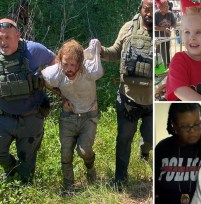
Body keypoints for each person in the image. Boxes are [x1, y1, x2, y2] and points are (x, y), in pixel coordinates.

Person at [100, 0, 153, 186]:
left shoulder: (164, 33)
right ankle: (120, 179)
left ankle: (144, 151)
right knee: (123, 139)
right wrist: (101, 51)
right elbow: (115, 52)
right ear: (141, 8)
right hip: (128, 98)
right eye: (147, 8)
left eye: (154, 9)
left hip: (153, 102)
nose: (150, 13)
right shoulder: (128, 28)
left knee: (151, 139)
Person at [41, 39, 103, 191]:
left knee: (84, 151)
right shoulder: (57, 72)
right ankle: (69, 187)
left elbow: (97, 55)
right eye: (65, 64)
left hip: (89, 115)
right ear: (61, 60)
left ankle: (90, 167)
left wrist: (97, 46)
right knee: (66, 154)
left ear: (80, 63)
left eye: (73, 65)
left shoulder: (90, 70)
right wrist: (62, 97)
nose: (68, 68)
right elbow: (44, 80)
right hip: (68, 116)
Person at [0, 18, 55, 183]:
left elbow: (56, 61)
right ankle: (11, 169)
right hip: (3, 117)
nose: (3, 42)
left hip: (31, 118)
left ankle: (22, 177)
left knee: (27, 174)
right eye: (0, 38)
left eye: (7, 37)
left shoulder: (33, 50)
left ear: (18, 35)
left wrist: (46, 77)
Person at [155, 103, 201, 204]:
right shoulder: (163, 148)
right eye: (185, 126)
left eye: (197, 124)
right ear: (174, 125)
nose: (192, 130)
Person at [155, 0, 177, 67]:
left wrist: (172, 29)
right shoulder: (156, 14)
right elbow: (153, 27)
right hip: (158, 38)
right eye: (166, 6)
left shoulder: (170, 14)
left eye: (168, 5)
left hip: (167, 37)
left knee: (167, 51)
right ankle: (160, 66)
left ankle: (167, 65)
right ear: (160, 7)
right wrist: (164, 29)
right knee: (160, 52)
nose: (168, 7)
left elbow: (174, 24)